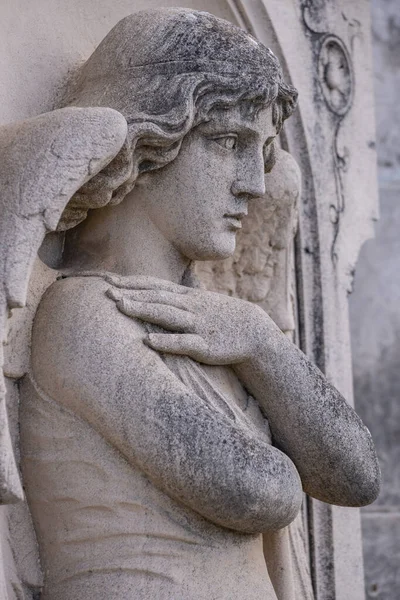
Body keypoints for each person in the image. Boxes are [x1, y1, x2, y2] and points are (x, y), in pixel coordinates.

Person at [19, 9, 380, 600]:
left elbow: (357, 475)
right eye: (228, 142)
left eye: (259, 151)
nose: (254, 184)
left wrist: (262, 340)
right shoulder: (82, 316)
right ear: (145, 143)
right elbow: (259, 491)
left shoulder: (217, 326)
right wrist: (280, 442)